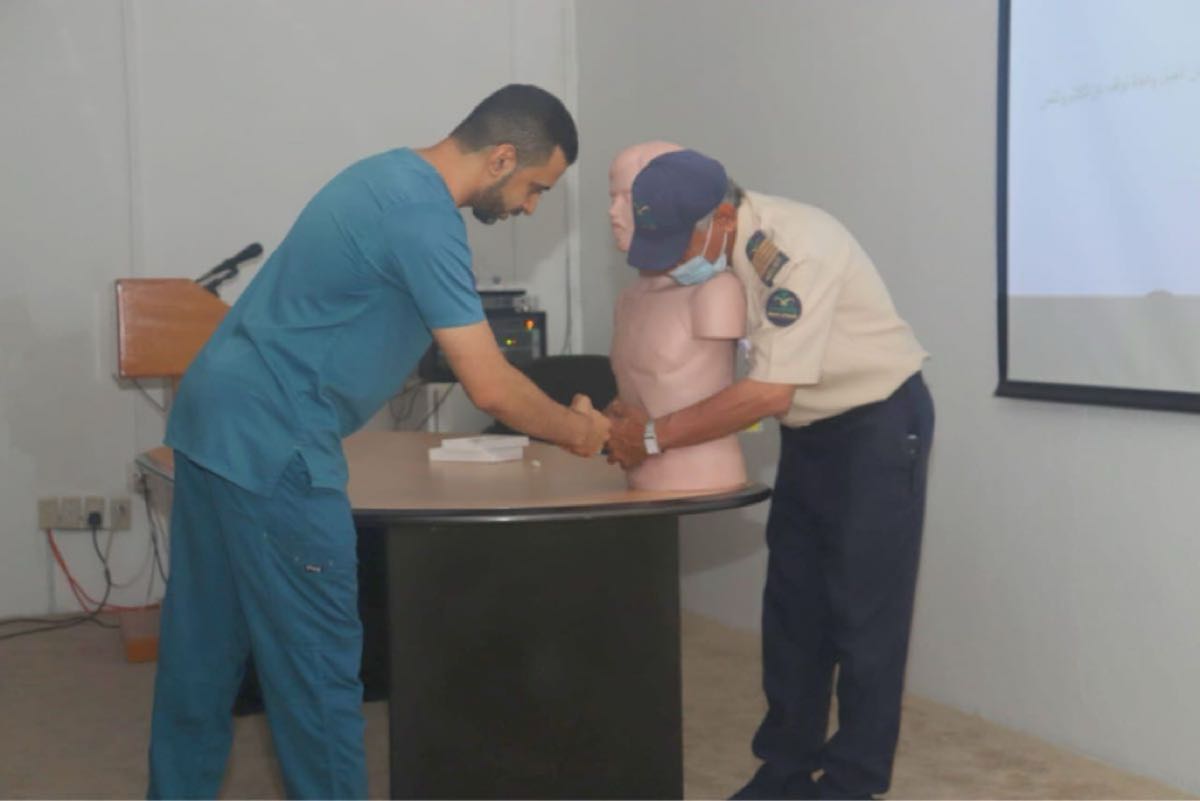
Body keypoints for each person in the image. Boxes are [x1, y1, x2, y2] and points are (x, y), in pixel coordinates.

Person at [148, 84, 610, 800]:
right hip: (277, 440)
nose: (529, 207)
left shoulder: (384, 173)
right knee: (319, 675)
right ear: (501, 158)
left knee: (201, 655)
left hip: (215, 417)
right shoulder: (425, 219)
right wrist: (580, 430)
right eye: (536, 188)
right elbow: (490, 386)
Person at [606, 149, 934, 800]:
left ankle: (852, 781)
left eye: (678, 246)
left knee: (863, 614)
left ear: (723, 218)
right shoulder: (721, 250)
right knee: (793, 608)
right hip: (809, 432)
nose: (670, 263)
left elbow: (765, 393)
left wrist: (649, 437)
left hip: (875, 426)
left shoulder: (793, 252)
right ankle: (784, 768)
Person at [607, 145, 747, 491]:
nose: (614, 212)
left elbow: (755, 396)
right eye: (612, 198)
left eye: (629, 199)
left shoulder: (715, 293)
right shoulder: (628, 299)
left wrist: (649, 437)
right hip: (636, 476)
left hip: (701, 473)